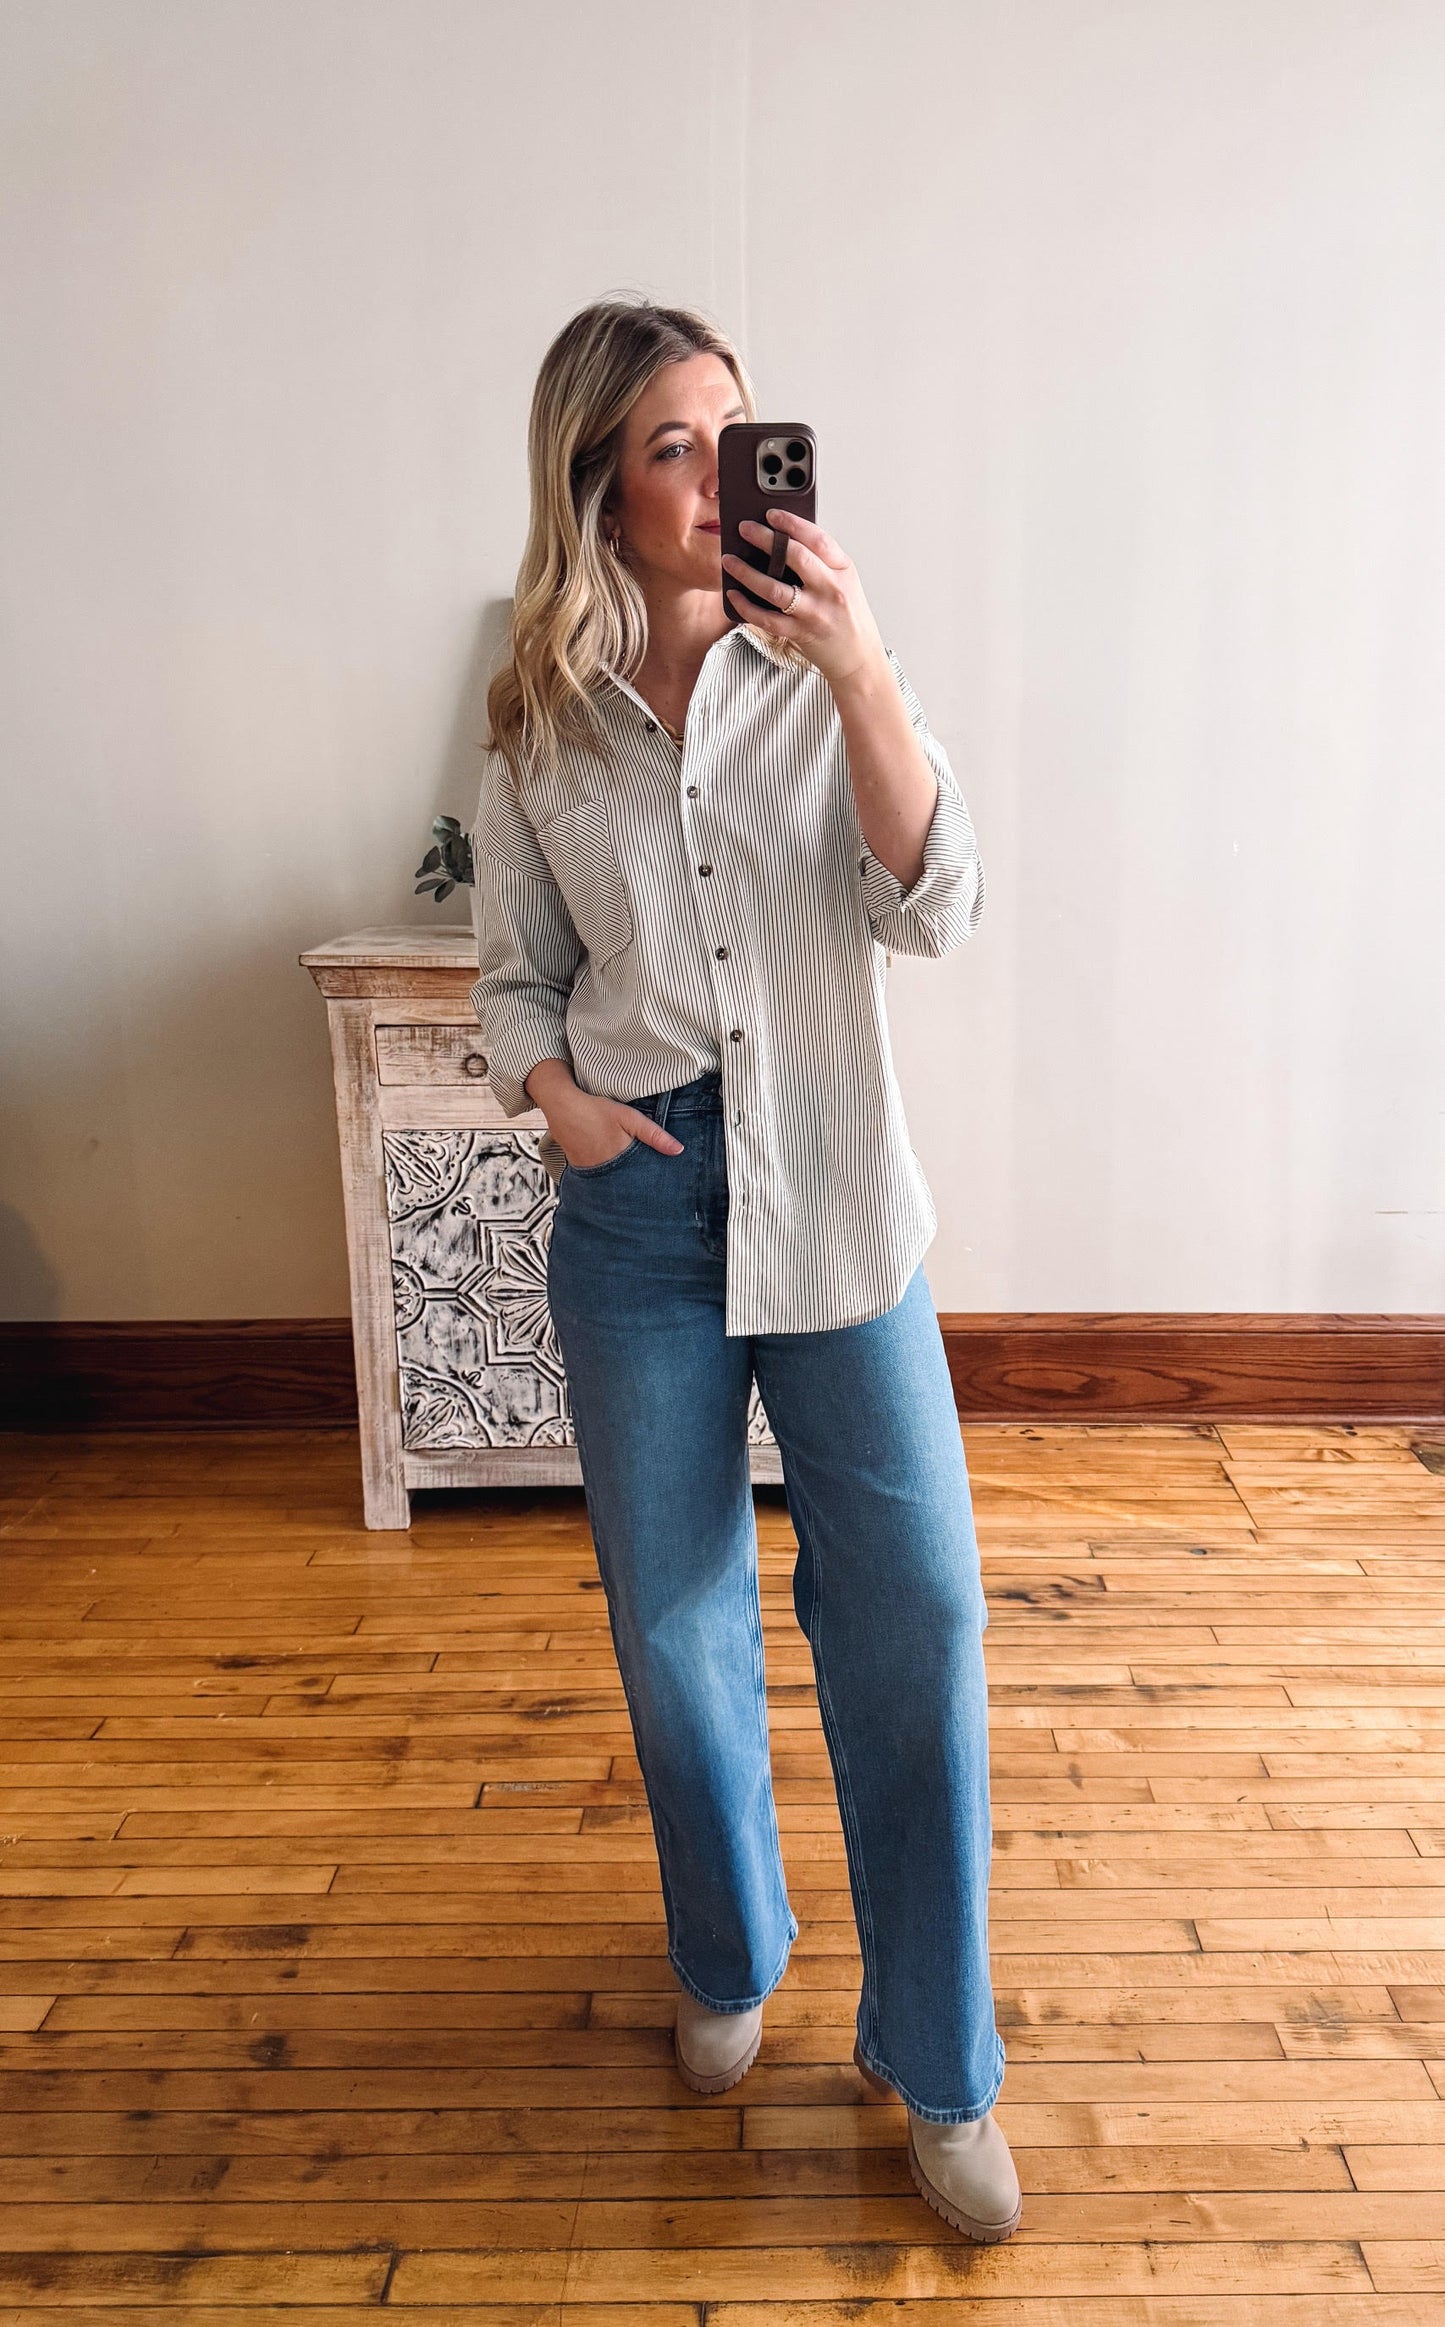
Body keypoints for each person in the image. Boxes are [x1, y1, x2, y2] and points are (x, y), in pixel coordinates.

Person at [469, 295, 1019, 2243]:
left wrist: (862, 672)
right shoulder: (537, 712)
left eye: (734, 433)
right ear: (600, 492)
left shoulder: (828, 662)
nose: (719, 477)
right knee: (674, 1623)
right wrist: (559, 1099)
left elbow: (937, 899)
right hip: (639, 1206)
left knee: (920, 1618)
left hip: (843, 1201)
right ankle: (732, 1950)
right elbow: (514, 976)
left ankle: (938, 2061)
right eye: (673, 448)